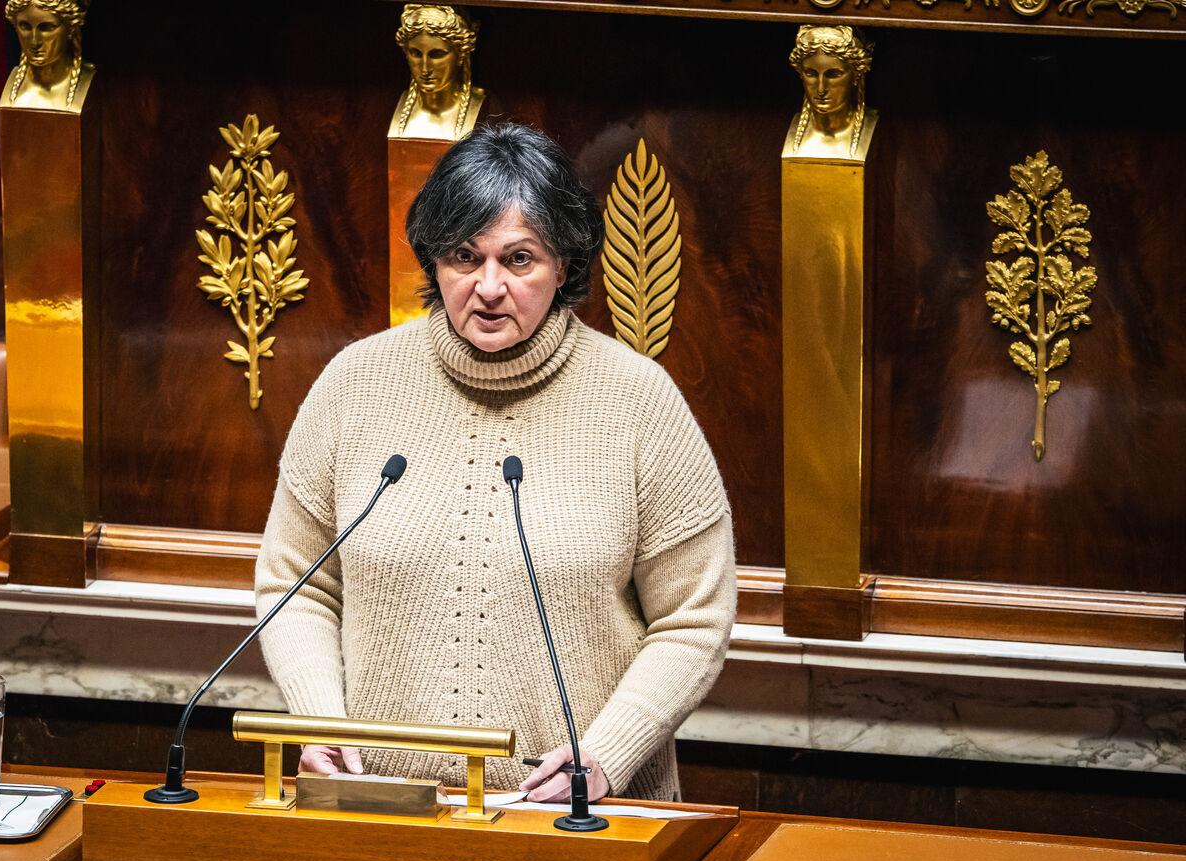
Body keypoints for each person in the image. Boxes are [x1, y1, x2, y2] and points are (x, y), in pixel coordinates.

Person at [255, 123, 735, 803]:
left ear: (563, 266)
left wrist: (608, 752)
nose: (488, 286)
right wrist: (320, 718)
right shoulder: (353, 385)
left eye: (519, 259)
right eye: (464, 256)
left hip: (578, 814)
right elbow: (295, 585)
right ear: (434, 263)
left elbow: (693, 618)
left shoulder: (639, 401)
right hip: (381, 808)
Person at [387, 4, 485, 141]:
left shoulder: (480, 104)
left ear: (461, 54)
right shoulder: (400, 106)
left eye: (437, 54)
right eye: (415, 53)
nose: (425, 69)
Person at [784, 24, 876, 161]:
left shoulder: (873, 126)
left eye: (833, 75)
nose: (821, 89)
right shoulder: (791, 131)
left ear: (856, 75)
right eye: (811, 74)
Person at [2, 0, 94, 111]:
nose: (34, 42)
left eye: (46, 28)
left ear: (71, 28)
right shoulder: (12, 87)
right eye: (25, 27)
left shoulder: (91, 83)